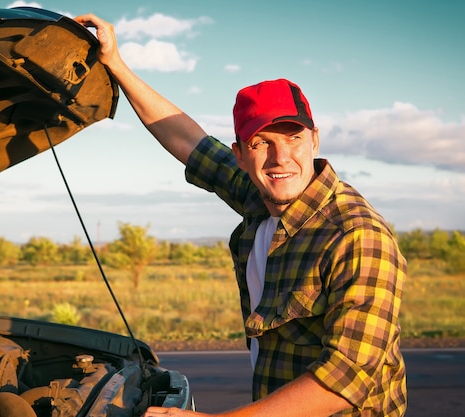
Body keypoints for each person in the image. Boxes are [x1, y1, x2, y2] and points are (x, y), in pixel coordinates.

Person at [73, 14, 407, 417]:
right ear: (240, 155)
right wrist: (117, 66)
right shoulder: (260, 195)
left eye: (293, 138)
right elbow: (186, 139)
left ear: (315, 139)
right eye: (261, 142)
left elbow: (347, 377)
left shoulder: (356, 236)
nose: (281, 157)